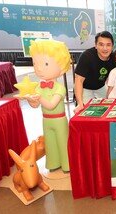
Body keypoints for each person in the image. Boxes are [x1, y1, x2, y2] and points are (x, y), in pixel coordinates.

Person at [26, 39, 71, 172]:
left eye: (45, 64)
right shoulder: (39, 87)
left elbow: (51, 105)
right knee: (50, 144)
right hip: (46, 120)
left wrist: (39, 97)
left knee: (63, 143)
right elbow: (35, 105)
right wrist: (30, 99)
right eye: (35, 63)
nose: (39, 68)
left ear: (62, 66)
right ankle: (53, 163)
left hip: (59, 120)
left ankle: (67, 164)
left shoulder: (60, 88)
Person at [74, 31, 116, 113]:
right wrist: (80, 103)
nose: (105, 48)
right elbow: (78, 80)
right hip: (85, 88)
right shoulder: (87, 56)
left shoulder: (113, 58)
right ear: (96, 45)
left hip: (100, 87)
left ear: (112, 46)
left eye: (108, 45)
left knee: (106, 110)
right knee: (86, 111)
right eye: (101, 44)